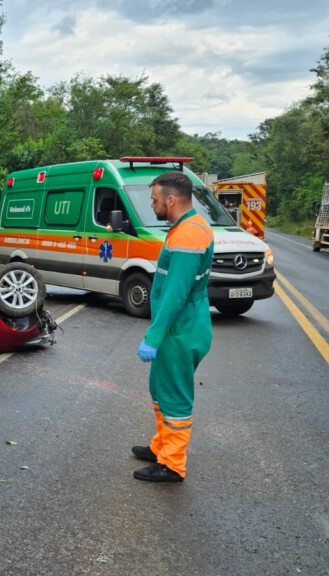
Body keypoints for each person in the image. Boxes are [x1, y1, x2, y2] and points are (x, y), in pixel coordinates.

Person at [133, 171, 215, 483]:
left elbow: (176, 293)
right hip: (176, 328)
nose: (152, 206)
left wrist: (153, 335)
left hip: (179, 330)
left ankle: (172, 464)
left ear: (171, 199)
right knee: (160, 389)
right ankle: (161, 447)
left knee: (175, 396)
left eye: (155, 200)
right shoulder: (184, 228)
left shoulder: (188, 235)